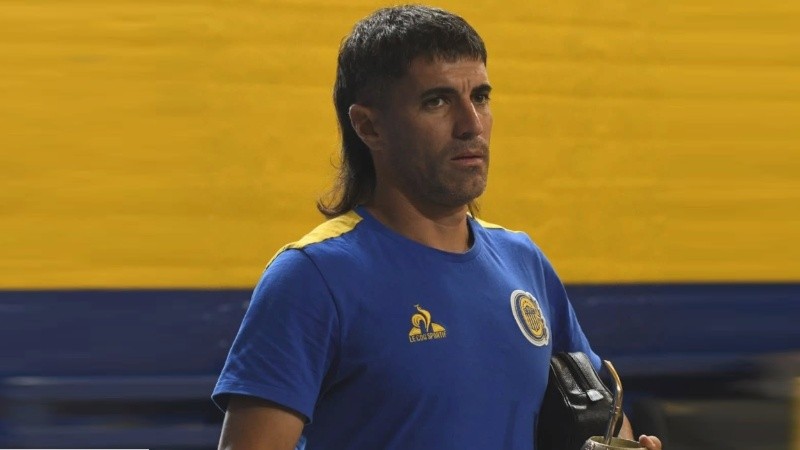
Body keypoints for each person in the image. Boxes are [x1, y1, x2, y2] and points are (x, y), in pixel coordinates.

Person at [212, 5, 662, 450]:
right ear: (369, 126)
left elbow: (603, 422)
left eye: (480, 97)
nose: (471, 125)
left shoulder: (523, 261)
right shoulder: (312, 277)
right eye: (437, 101)